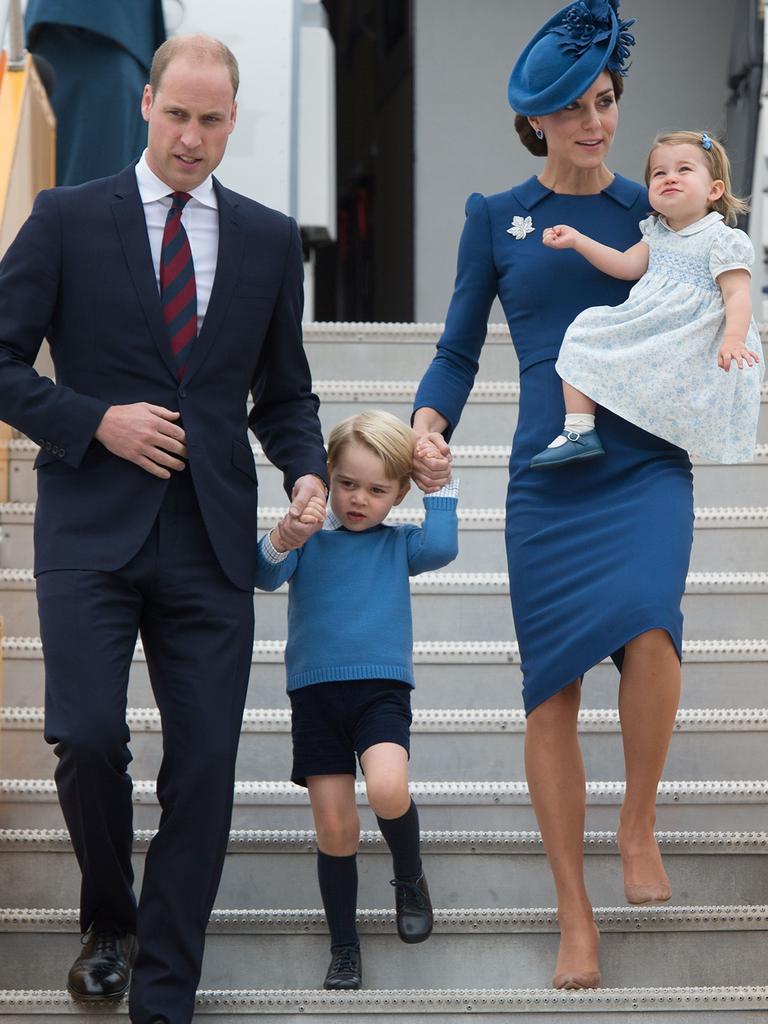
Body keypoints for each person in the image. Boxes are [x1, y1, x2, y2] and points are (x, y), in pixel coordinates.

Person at [0, 35, 328, 1023]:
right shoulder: (63, 221)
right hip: (89, 528)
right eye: (177, 114)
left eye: (212, 120)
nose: (192, 137)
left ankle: (164, 991)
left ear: (235, 121)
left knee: (205, 766)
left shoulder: (270, 242)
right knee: (90, 736)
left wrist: (307, 470)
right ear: (146, 104)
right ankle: (111, 916)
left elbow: (285, 396)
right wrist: (93, 417)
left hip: (213, 538)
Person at [411, 0, 691, 992]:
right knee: (554, 691)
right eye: (573, 109)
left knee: (654, 629)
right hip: (548, 476)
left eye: (606, 101)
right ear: (535, 121)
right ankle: (576, 913)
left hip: (647, 459)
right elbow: (455, 347)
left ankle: (639, 817)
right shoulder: (496, 216)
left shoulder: (654, 207)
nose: (596, 123)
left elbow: (713, 287)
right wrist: (429, 424)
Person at [254, 411, 458, 991]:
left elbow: (443, 545)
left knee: (390, 787)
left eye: (376, 489)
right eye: (347, 484)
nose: (359, 500)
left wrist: (438, 486)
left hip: (379, 692)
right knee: (335, 828)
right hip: (316, 698)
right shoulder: (310, 541)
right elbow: (262, 574)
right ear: (326, 477)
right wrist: (286, 531)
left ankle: (409, 875)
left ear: (398, 493)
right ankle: (344, 945)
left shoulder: (400, 545)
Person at [530, 130, 763, 469]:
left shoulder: (722, 240)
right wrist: (579, 241)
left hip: (693, 338)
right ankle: (579, 430)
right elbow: (626, 266)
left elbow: (737, 293)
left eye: (684, 170)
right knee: (585, 330)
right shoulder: (656, 232)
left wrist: (733, 338)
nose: (670, 177)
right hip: (654, 329)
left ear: (714, 190)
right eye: (659, 173)